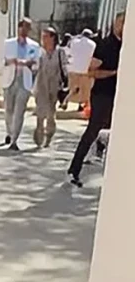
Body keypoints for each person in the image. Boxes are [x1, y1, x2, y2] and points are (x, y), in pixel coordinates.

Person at [68, 11, 125, 186]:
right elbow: (91, 72)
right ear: (116, 24)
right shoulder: (105, 45)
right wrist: (114, 73)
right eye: (122, 23)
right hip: (103, 94)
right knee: (92, 131)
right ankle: (74, 170)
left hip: (120, 96)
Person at [2, 17, 40, 151]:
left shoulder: (34, 46)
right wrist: (10, 62)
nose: (25, 30)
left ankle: (14, 140)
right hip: (9, 79)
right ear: (18, 28)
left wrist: (28, 64)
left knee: (19, 111)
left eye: (27, 28)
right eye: (23, 27)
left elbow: (36, 64)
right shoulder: (8, 43)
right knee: (9, 109)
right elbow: (2, 60)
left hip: (25, 80)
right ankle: (9, 132)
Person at [33, 26, 66, 148]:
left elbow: (65, 70)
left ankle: (49, 136)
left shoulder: (60, 52)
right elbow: (35, 68)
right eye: (42, 37)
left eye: (46, 37)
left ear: (53, 38)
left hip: (54, 86)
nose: (43, 39)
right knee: (40, 113)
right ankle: (39, 136)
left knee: (51, 114)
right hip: (41, 85)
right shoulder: (39, 52)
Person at [65, 28, 96, 112]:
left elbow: (68, 52)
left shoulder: (73, 42)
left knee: (72, 88)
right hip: (85, 70)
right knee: (85, 90)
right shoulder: (93, 44)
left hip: (73, 69)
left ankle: (65, 101)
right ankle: (81, 105)